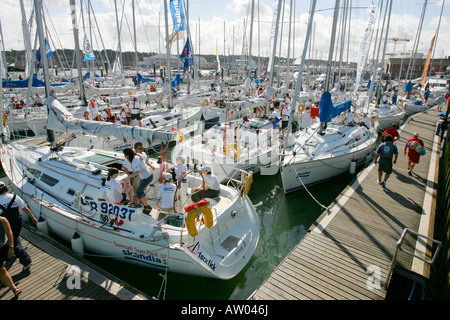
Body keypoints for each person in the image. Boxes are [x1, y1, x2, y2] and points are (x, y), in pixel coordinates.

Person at [0, 181, 37, 272]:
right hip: (17, 221)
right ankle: (11, 253)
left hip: (4, 223)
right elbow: (25, 208)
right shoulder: (14, 196)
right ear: (6, 188)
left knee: (14, 241)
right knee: (15, 237)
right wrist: (33, 217)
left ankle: (26, 260)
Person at [123, 148, 154, 213]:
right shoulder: (137, 155)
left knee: (138, 192)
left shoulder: (134, 160)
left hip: (146, 177)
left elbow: (137, 171)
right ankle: (146, 205)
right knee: (140, 191)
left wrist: (128, 177)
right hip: (148, 175)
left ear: (127, 155)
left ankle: (147, 206)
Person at [0, 216, 22, 296]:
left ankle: (14, 288)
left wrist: (11, 247)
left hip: (1, 248)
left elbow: (9, 234)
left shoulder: (2, 220)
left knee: (2, 270)